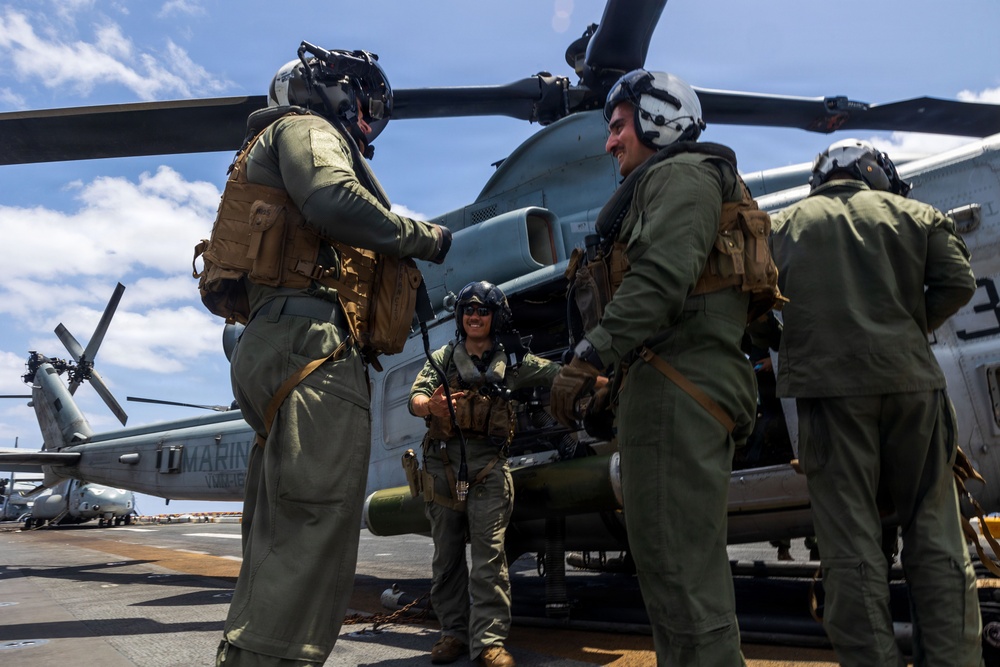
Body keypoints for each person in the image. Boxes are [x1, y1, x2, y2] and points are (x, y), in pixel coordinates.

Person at [215, 46, 452, 666]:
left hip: (278, 340)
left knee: (281, 531)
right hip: (314, 343)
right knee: (316, 526)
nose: (368, 121)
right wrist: (424, 237)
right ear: (333, 92)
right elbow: (331, 200)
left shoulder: (271, 142)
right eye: (366, 104)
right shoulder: (308, 131)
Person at [550, 70, 766, 664]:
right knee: (673, 582)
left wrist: (589, 356)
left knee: (682, 583)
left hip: (679, 389)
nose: (610, 142)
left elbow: (661, 279)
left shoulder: (678, 175)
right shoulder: (684, 183)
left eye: (618, 126)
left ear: (657, 118)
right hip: (674, 384)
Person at [769, 138, 982, 666]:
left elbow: (751, 305)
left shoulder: (780, 226)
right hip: (913, 390)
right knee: (936, 535)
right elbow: (958, 282)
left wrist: (799, 345)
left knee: (850, 547)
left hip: (829, 397)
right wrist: (908, 334)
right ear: (872, 171)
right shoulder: (916, 214)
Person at [409, 281, 560, 667]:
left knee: (490, 556)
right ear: (461, 317)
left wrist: (599, 377)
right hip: (443, 465)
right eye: (469, 310)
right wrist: (432, 408)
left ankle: (489, 642)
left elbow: (556, 374)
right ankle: (452, 634)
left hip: (489, 467)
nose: (475, 316)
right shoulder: (443, 358)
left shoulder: (512, 362)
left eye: (483, 310)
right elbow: (416, 398)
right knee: (446, 557)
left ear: (495, 317)